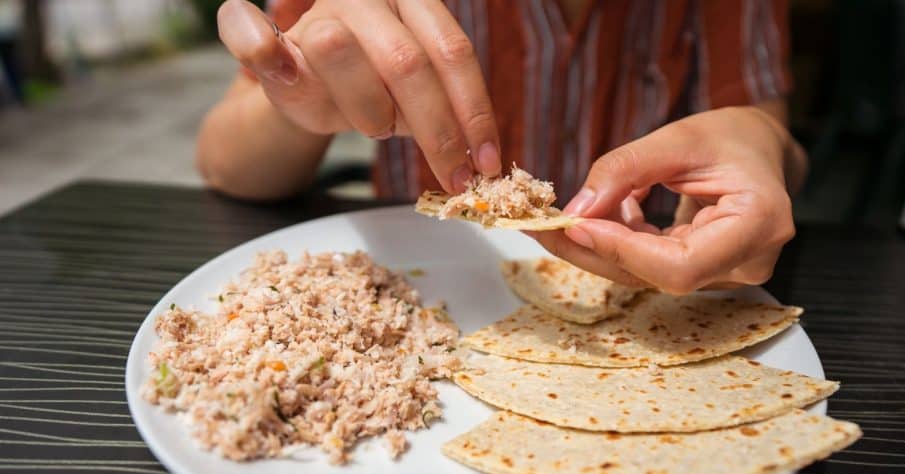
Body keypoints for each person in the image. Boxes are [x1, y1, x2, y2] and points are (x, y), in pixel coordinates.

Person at [198, 0, 806, 295]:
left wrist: (766, 144)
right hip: (418, 289)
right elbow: (228, 164)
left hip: (641, 303)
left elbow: (766, 140)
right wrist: (297, 93)